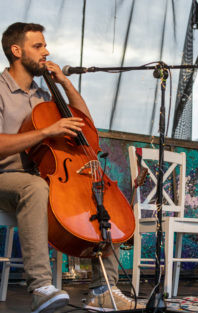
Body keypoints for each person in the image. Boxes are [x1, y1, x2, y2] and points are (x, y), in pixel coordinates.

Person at [0, 22, 144, 312]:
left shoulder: (44, 95)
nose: (46, 51)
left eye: (45, 45)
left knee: (99, 192)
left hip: (42, 176)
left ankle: (103, 289)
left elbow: (85, 126)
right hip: (7, 176)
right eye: (38, 46)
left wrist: (66, 85)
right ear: (16, 51)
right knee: (34, 186)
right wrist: (44, 132)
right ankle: (41, 287)